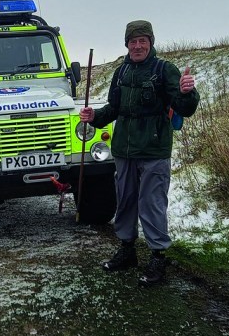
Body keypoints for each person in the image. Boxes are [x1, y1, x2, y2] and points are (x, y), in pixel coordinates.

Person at [79, 20, 200, 286]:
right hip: (124, 150)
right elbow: (114, 109)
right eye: (133, 41)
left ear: (150, 42)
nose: (137, 46)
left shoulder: (164, 69)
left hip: (154, 149)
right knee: (125, 200)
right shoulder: (121, 72)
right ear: (127, 44)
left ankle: (157, 256)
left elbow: (184, 107)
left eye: (142, 41)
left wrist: (187, 92)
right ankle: (127, 250)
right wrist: (94, 116)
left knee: (152, 203)